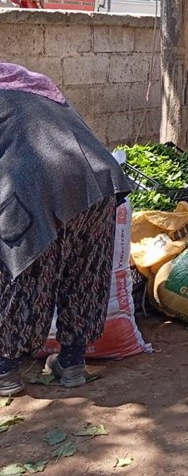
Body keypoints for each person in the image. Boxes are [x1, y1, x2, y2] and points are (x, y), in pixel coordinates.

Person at [0, 62, 132, 394]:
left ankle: (6, 370)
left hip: (36, 186)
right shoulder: (35, 84)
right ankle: (72, 363)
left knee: (24, 273)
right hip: (97, 181)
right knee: (85, 271)